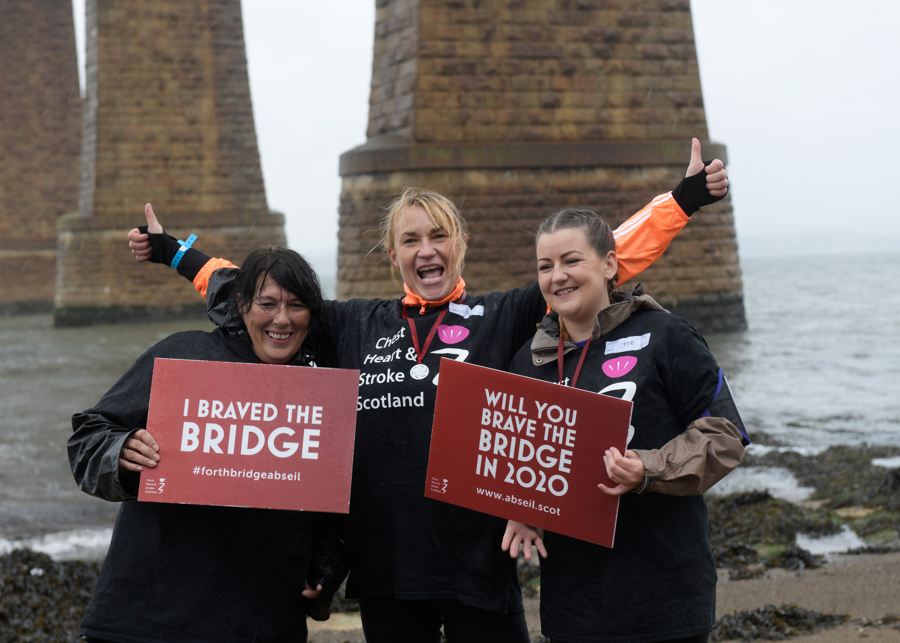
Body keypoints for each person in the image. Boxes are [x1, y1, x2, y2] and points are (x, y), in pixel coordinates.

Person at [127, 140, 729, 642]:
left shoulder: (505, 314)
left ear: (457, 244)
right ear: (394, 256)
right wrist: (173, 252)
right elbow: (259, 291)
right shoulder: (352, 323)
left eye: (437, 236)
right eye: (411, 240)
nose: (426, 250)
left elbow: (602, 262)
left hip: (480, 562)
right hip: (387, 567)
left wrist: (683, 200)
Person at [68, 247, 344, 643]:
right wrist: (122, 450)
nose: (282, 319)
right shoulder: (185, 355)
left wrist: (326, 571)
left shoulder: (324, 393)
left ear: (312, 314)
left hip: (261, 623)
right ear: (241, 304)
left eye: (297, 305)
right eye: (267, 304)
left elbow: (333, 518)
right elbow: (88, 437)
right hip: (145, 619)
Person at [502, 208, 750, 643]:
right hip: (572, 607)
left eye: (571, 260)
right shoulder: (528, 361)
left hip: (666, 598)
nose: (558, 276)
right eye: (546, 266)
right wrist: (524, 508)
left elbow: (727, 436)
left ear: (610, 265)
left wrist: (648, 468)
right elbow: (527, 457)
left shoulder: (667, 335)